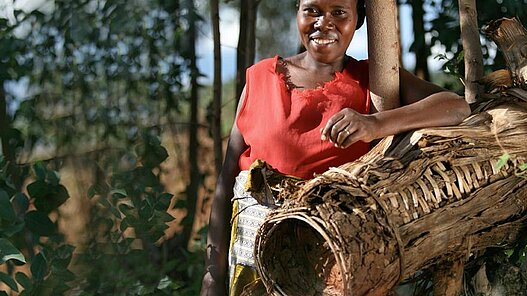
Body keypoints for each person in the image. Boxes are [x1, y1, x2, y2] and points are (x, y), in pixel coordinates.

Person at [200, 0, 471, 295]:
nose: (323, 22)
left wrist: (375, 123)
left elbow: (456, 106)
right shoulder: (259, 78)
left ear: (359, 20)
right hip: (253, 263)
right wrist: (213, 274)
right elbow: (227, 179)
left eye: (339, 13)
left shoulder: (374, 82)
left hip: (336, 266)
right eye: (312, 10)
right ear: (298, 13)